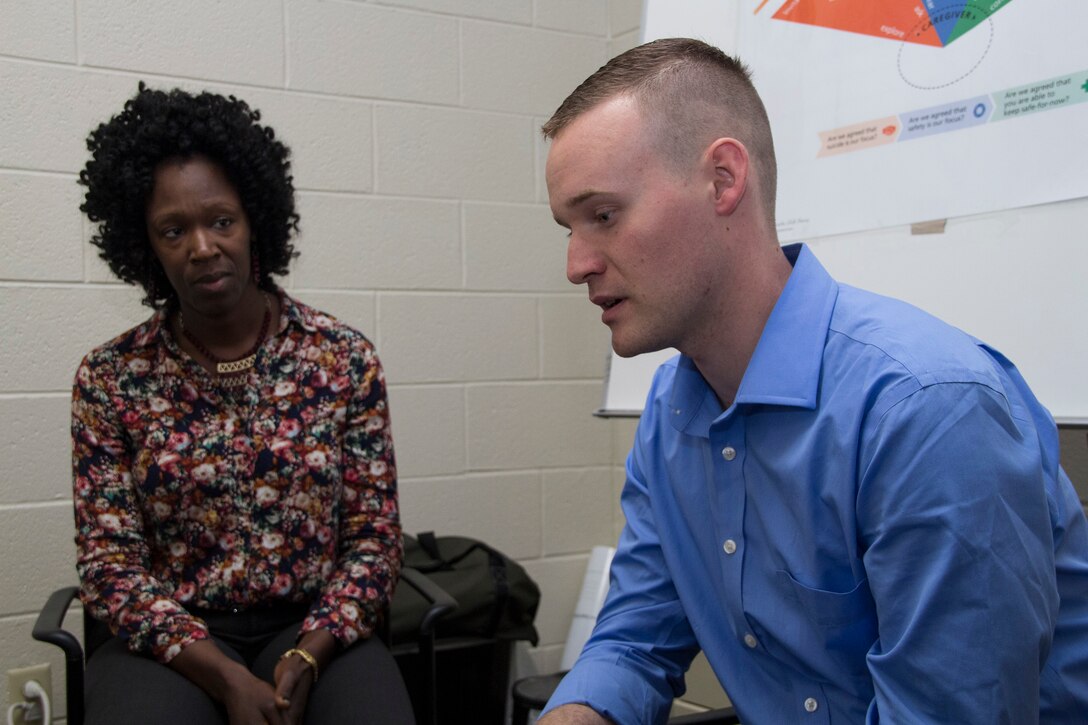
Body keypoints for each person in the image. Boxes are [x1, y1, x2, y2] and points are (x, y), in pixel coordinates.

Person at [539, 38, 1088, 724]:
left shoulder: (926, 412)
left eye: (604, 215)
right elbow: (633, 639)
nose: (577, 263)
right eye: (569, 227)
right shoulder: (673, 411)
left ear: (722, 180)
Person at [72, 84, 413, 724]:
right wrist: (224, 675)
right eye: (174, 230)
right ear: (145, 245)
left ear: (256, 218)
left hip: (316, 627)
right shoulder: (110, 378)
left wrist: (311, 653)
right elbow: (108, 565)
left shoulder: (342, 359)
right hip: (171, 643)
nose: (202, 246)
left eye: (221, 220)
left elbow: (374, 540)